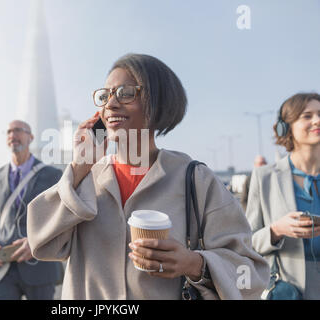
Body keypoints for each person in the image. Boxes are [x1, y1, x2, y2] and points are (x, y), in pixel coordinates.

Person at [27, 53, 269, 300]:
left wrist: (194, 264)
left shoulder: (196, 179)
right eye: (105, 96)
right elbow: (41, 243)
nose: (110, 104)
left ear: (158, 102)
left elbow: (252, 275)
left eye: (125, 93)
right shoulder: (85, 178)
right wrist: (79, 168)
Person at [246, 92, 320, 299]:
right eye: (307, 116)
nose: (317, 120)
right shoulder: (264, 177)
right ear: (285, 127)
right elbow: (245, 243)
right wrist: (276, 230)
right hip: (289, 289)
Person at [0, 120, 63, 300]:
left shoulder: (52, 175)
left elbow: (59, 220)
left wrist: (35, 242)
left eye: (19, 130)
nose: (13, 135)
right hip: (2, 267)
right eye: (9, 131)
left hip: (39, 265)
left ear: (31, 138)